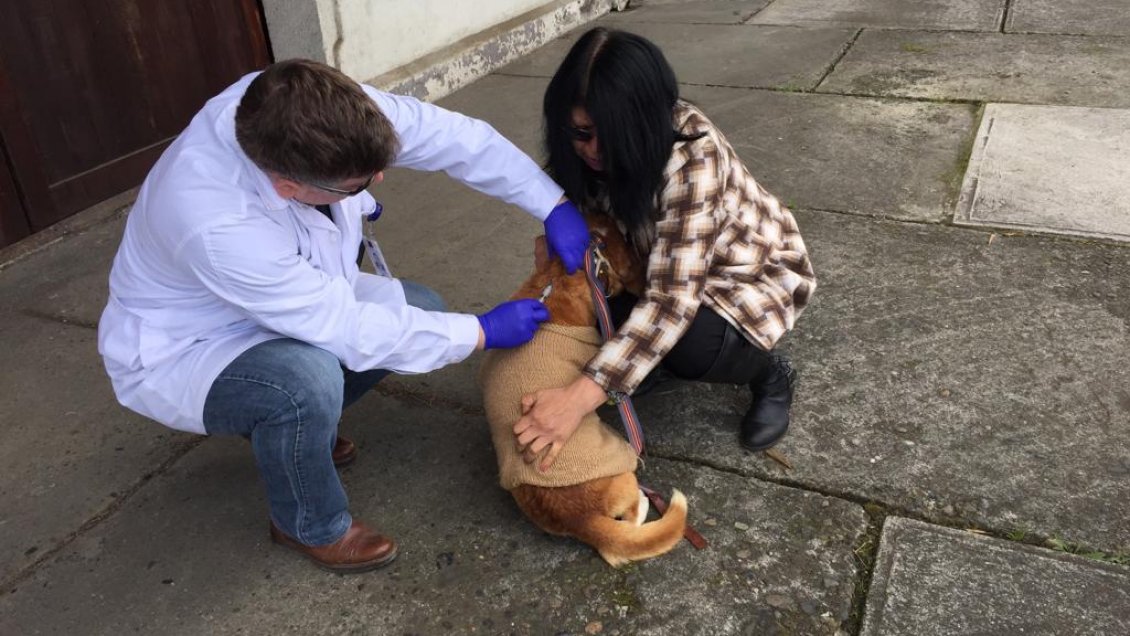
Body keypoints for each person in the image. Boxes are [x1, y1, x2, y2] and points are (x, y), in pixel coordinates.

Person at [97, 59, 591, 573]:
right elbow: (345, 328)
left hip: (285, 295)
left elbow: (457, 138)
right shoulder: (215, 222)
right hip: (190, 343)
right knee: (303, 385)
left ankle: (294, 436)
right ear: (289, 186)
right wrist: (483, 330)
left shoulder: (305, 106)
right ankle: (306, 521)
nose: (377, 180)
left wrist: (550, 203)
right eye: (359, 184)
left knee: (422, 308)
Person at [513, 28, 816, 470]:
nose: (593, 151)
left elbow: (673, 299)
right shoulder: (578, 151)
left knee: (690, 345)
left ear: (647, 120)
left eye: (611, 136)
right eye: (580, 133)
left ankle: (769, 372)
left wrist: (580, 397)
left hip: (742, 273)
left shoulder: (693, 156)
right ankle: (645, 365)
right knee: (593, 307)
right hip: (654, 263)